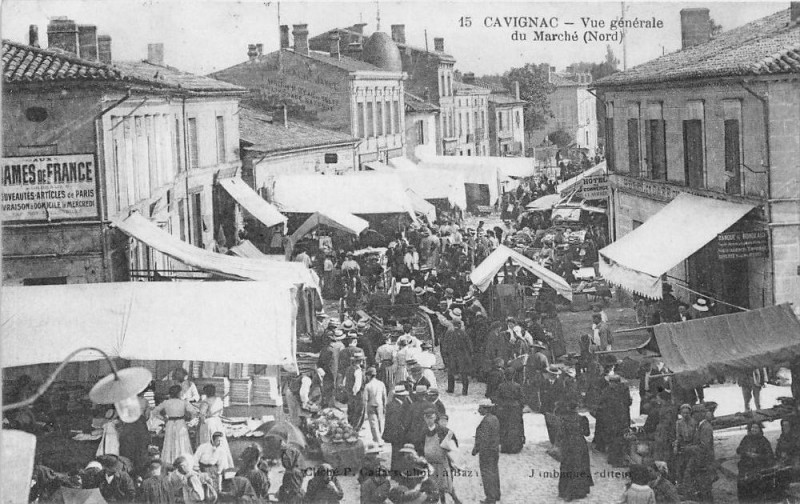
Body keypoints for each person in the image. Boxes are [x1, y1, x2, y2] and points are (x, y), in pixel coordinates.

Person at [420, 407, 462, 504]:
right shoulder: (422, 432)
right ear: (424, 418)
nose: (429, 420)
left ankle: (457, 501)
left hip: (442, 463)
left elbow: (453, 446)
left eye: (431, 417)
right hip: (430, 464)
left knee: (446, 486)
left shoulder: (443, 431)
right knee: (433, 487)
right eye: (427, 418)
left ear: (435, 418)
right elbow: (420, 447)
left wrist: (454, 460)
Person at [558, 400, 593, 501]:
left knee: (567, 466)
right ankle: (579, 491)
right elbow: (587, 433)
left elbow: (560, 435)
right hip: (579, 445)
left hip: (567, 446)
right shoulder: (582, 419)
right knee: (580, 466)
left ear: (568, 408)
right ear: (576, 408)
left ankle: (564, 490)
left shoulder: (563, 420)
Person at [151, 384, 194, 465]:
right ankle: (182, 462)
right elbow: (194, 412)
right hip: (180, 423)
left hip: (170, 423)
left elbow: (154, 412)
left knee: (170, 442)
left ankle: (169, 461)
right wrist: (190, 421)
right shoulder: (184, 402)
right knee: (181, 442)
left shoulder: (166, 402)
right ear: (179, 393)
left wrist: (163, 418)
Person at [736, 421, 776, 501]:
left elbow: (769, 456)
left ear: (760, 429)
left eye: (756, 428)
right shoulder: (746, 439)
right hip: (745, 467)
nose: (754, 429)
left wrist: (758, 456)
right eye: (752, 427)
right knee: (743, 487)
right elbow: (738, 450)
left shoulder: (764, 441)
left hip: (758, 467)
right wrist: (746, 453)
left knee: (756, 489)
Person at [197, 385, 234, 469]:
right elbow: (220, 413)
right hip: (217, 421)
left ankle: (209, 463)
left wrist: (201, 422)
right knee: (220, 443)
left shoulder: (205, 402)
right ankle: (223, 464)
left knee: (208, 442)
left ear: (206, 393)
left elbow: (202, 415)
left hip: (208, 422)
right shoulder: (219, 400)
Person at [439, 308, 474, 396]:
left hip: (452, 356)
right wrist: (469, 354)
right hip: (462, 356)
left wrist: (445, 355)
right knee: (464, 374)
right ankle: (465, 391)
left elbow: (445, 345)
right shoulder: (463, 333)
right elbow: (469, 345)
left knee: (451, 372)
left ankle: (451, 389)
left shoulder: (449, 332)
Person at [473, 399, 501, 504]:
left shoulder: (486, 421)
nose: (478, 409)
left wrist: (476, 449)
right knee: (494, 472)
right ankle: (496, 494)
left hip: (486, 452)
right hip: (494, 451)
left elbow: (483, 439)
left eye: (480, 407)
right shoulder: (494, 419)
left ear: (485, 409)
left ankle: (490, 498)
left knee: (487, 475)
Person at [118, 391, 151, 477]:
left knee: (127, 449)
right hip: (141, 426)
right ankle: (141, 473)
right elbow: (147, 416)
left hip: (129, 426)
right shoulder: (145, 401)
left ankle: (129, 472)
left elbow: (122, 417)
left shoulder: (127, 401)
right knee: (141, 450)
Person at [495, 367, 525, 454]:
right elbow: (522, 398)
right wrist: (520, 406)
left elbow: (497, 398)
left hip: (503, 409)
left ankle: (505, 447)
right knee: (515, 427)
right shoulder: (517, 386)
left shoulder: (501, 386)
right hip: (515, 409)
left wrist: (501, 405)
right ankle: (515, 447)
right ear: (514, 376)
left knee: (504, 427)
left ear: (505, 375)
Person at [385, 385, 412, 471]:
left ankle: (395, 470)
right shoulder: (395, 406)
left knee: (396, 452)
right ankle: (396, 471)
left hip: (395, 433)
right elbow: (395, 423)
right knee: (397, 452)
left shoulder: (394, 404)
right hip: (396, 434)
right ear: (401, 396)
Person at [318, 330, 345, 407]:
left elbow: (320, 361)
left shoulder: (326, 348)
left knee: (328, 387)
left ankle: (328, 403)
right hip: (338, 370)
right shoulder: (341, 346)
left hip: (328, 370)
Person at [364, 366, 388, 445]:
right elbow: (384, 396)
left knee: (373, 423)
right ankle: (380, 437)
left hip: (371, 405)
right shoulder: (381, 384)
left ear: (369, 376)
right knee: (380, 421)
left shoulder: (367, 385)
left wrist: (365, 411)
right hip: (380, 404)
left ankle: (377, 440)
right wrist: (385, 406)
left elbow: (365, 399)